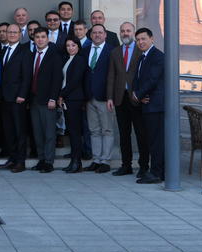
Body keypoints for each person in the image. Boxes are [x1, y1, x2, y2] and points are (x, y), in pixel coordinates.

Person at [107, 21, 148, 177]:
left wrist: (142, 94)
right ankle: (126, 165)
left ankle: (144, 166)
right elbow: (111, 76)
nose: (125, 33)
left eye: (128, 31)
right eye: (123, 31)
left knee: (141, 134)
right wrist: (109, 97)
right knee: (124, 135)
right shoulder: (115, 52)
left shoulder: (141, 50)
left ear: (133, 33)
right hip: (120, 99)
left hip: (136, 98)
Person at [131, 27, 165, 184]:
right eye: (138, 40)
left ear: (152, 39)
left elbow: (153, 79)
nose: (140, 42)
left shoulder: (158, 56)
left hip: (155, 105)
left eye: (143, 39)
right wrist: (138, 94)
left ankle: (157, 173)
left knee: (156, 141)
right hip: (146, 104)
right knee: (151, 140)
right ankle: (156, 171)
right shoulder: (142, 57)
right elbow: (138, 79)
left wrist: (138, 95)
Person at [0, 24, 32, 173]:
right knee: (9, 130)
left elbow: (27, 76)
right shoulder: (3, 51)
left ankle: (20, 161)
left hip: (18, 98)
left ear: (20, 34)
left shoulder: (25, 52)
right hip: (5, 98)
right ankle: (12, 158)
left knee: (19, 131)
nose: (11, 34)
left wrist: (22, 94)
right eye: (9, 32)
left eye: (14, 32)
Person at [29, 27, 64, 173]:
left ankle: (49, 162)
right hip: (34, 100)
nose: (40, 39)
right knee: (38, 133)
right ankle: (41, 159)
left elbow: (57, 79)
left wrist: (53, 98)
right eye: (37, 37)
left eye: (43, 37)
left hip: (48, 100)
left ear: (48, 39)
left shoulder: (54, 55)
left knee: (49, 133)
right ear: (34, 39)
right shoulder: (32, 55)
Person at [82, 23, 116, 174]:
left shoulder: (112, 51)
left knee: (107, 130)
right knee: (94, 130)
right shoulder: (85, 50)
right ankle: (96, 160)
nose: (97, 35)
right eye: (94, 33)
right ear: (90, 35)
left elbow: (115, 75)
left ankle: (105, 161)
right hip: (89, 97)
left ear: (105, 35)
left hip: (105, 97)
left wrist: (111, 96)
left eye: (100, 32)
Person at [59, 36, 89, 173]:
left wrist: (61, 95)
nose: (70, 48)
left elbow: (74, 81)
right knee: (71, 131)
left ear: (78, 46)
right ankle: (74, 161)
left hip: (75, 99)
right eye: (68, 46)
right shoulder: (67, 59)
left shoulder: (80, 60)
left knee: (75, 132)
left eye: (73, 45)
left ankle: (77, 162)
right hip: (68, 99)